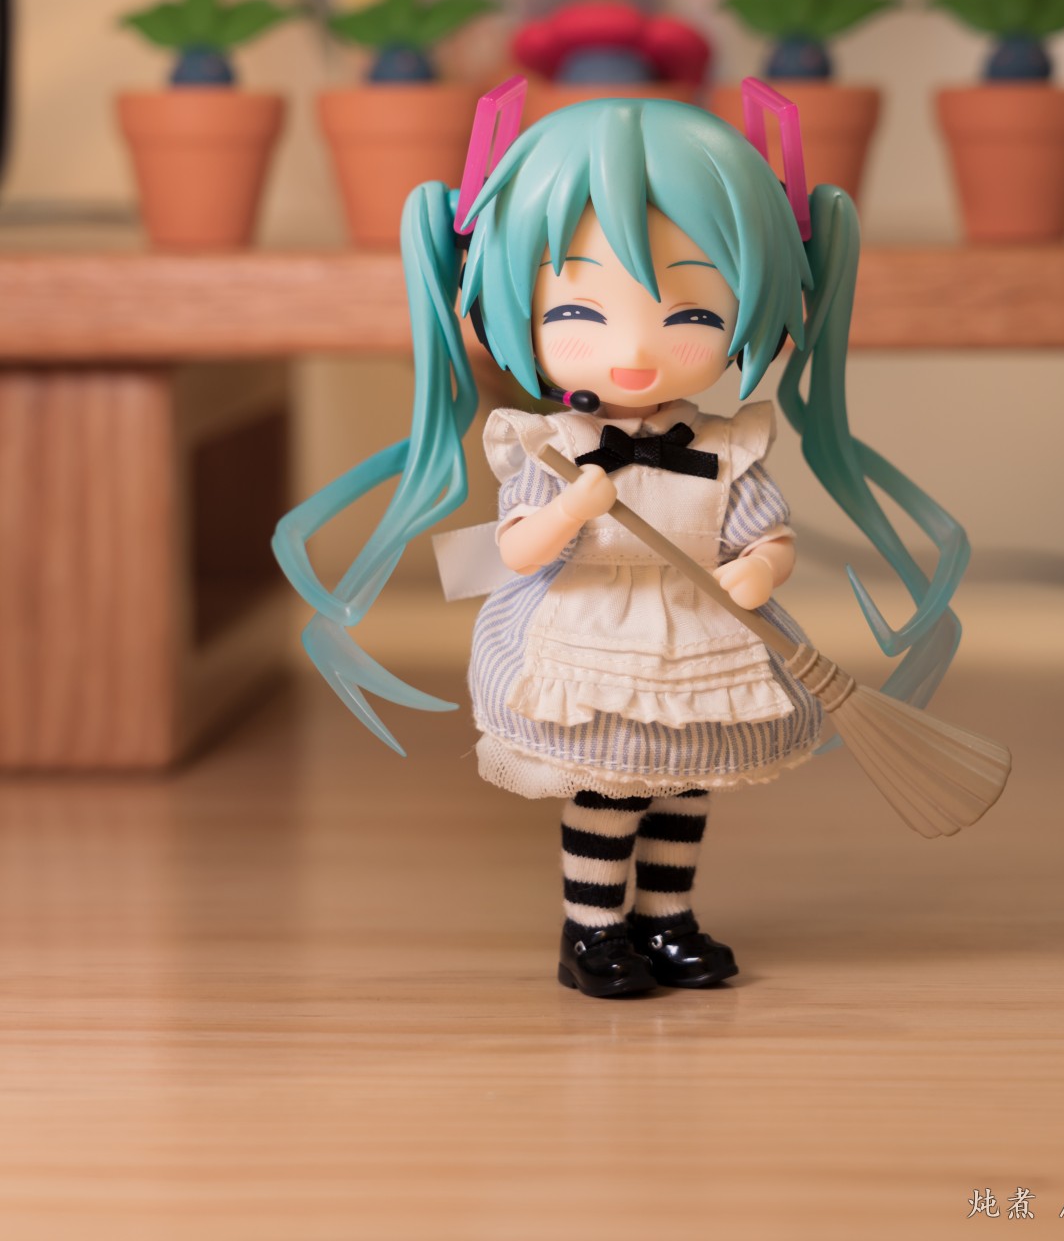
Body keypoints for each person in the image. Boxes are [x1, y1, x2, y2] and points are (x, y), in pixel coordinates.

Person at [274, 92, 968, 998]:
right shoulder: (545, 446)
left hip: (700, 630)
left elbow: (768, 530)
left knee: (684, 781)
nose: (637, 351)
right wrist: (570, 510)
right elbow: (517, 550)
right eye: (577, 313)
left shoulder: (728, 446)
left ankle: (666, 916)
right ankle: (593, 929)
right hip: (590, 629)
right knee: (606, 785)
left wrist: (759, 568)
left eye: (692, 317)